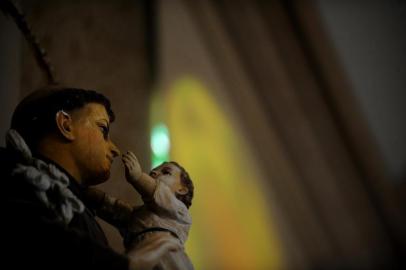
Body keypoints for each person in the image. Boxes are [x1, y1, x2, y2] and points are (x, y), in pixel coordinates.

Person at [0, 86, 181, 270]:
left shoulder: (72, 202)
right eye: (103, 129)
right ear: (65, 124)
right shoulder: (15, 183)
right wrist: (125, 265)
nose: (115, 149)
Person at [84, 151, 195, 270]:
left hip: (168, 258)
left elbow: (157, 191)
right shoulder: (139, 215)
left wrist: (138, 177)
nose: (154, 172)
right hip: (141, 258)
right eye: (154, 170)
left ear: (182, 190)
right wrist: (96, 197)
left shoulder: (179, 211)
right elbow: (119, 211)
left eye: (166, 172)